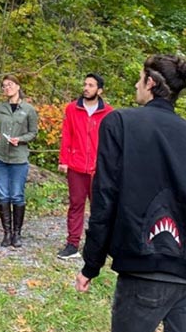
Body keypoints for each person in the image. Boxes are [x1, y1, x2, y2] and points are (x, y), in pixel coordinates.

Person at [75, 55, 186, 332]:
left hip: (143, 271)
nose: (136, 85)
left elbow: (104, 198)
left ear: (150, 82)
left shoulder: (119, 123)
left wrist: (91, 264)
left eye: (139, 78)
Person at [56, 73, 113, 259]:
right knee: (76, 205)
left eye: (91, 85)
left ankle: (99, 246)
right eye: (85, 84)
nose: (86, 88)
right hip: (76, 165)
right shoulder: (72, 108)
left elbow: (112, 141)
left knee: (100, 208)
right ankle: (72, 244)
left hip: (99, 169)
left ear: (100, 90)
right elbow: (67, 134)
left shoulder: (109, 112)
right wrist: (64, 160)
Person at [0, 75, 39, 248]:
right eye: (4, 86)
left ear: (17, 87)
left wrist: (20, 139)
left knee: (17, 194)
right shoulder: (0, 108)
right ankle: (6, 234)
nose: (7, 88)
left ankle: (17, 234)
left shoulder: (28, 109)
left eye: (10, 85)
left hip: (19, 158)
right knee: (3, 194)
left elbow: (33, 132)